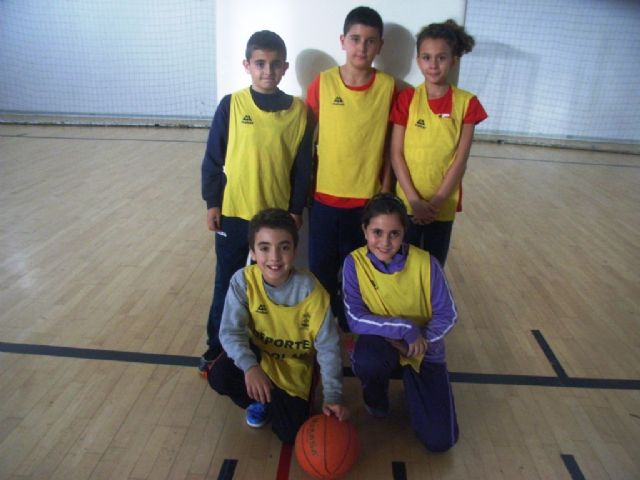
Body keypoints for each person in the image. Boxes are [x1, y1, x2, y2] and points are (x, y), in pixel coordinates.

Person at [199, 31, 314, 373]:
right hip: (234, 213)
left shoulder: (299, 112)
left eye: (275, 64)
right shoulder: (231, 104)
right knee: (227, 283)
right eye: (260, 63)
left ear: (285, 68)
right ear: (247, 65)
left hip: (276, 219)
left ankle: (259, 347)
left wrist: (295, 210)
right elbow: (212, 159)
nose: (267, 70)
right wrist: (212, 202)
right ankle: (216, 349)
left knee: (268, 287)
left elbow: (302, 168)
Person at [207, 209, 348, 444]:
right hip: (260, 358)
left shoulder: (312, 292)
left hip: (295, 367)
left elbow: (329, 348)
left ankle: (288, 397)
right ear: (252, 252)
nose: (274, 257)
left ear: (294, 250)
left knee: (291, 434)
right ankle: (259, 399)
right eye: (264, 248)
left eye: (284, 247)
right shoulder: (242, 281)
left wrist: (332, 395)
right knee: (219, 376)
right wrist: (250, 367)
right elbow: (230, 332)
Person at [342, 193, 459, 452]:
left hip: (423, 350)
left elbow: (447, 314)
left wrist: (421, 342)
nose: (385, 242)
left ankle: (415, 389)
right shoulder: (354, 263)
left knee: (441, 441)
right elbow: (355, 318)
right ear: (364, 230)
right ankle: (376, 395)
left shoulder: (426, 263)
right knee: (367, 360)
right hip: (385, 344)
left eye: (394, 233)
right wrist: (406, 330)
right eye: (377, 232)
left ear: (404, 232)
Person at [306, 6, 396, 331]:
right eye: (356, 39)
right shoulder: (323, 83)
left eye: (370, 41)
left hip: (366, 204)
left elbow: (391, 148)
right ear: (343, 41)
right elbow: (308, 140)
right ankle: (321, 331)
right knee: (321, 270)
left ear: (380, 46)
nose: (362, 47)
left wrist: (386, 191)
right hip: (324, 200)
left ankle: (351, 330)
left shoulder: (389, 88)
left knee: (357, 273)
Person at [390, 19, 487, 266]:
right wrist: (413, 200)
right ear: (418, 60)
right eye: (426, 57)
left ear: (454, 59)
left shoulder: (468, 103)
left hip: (441, 208)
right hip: (406, 205)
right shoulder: (407, 98)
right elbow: (396, 154)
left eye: (441, 58)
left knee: (433, 271)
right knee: (402, 269)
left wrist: (435, 202)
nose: (433, 64)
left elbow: (460, 161)